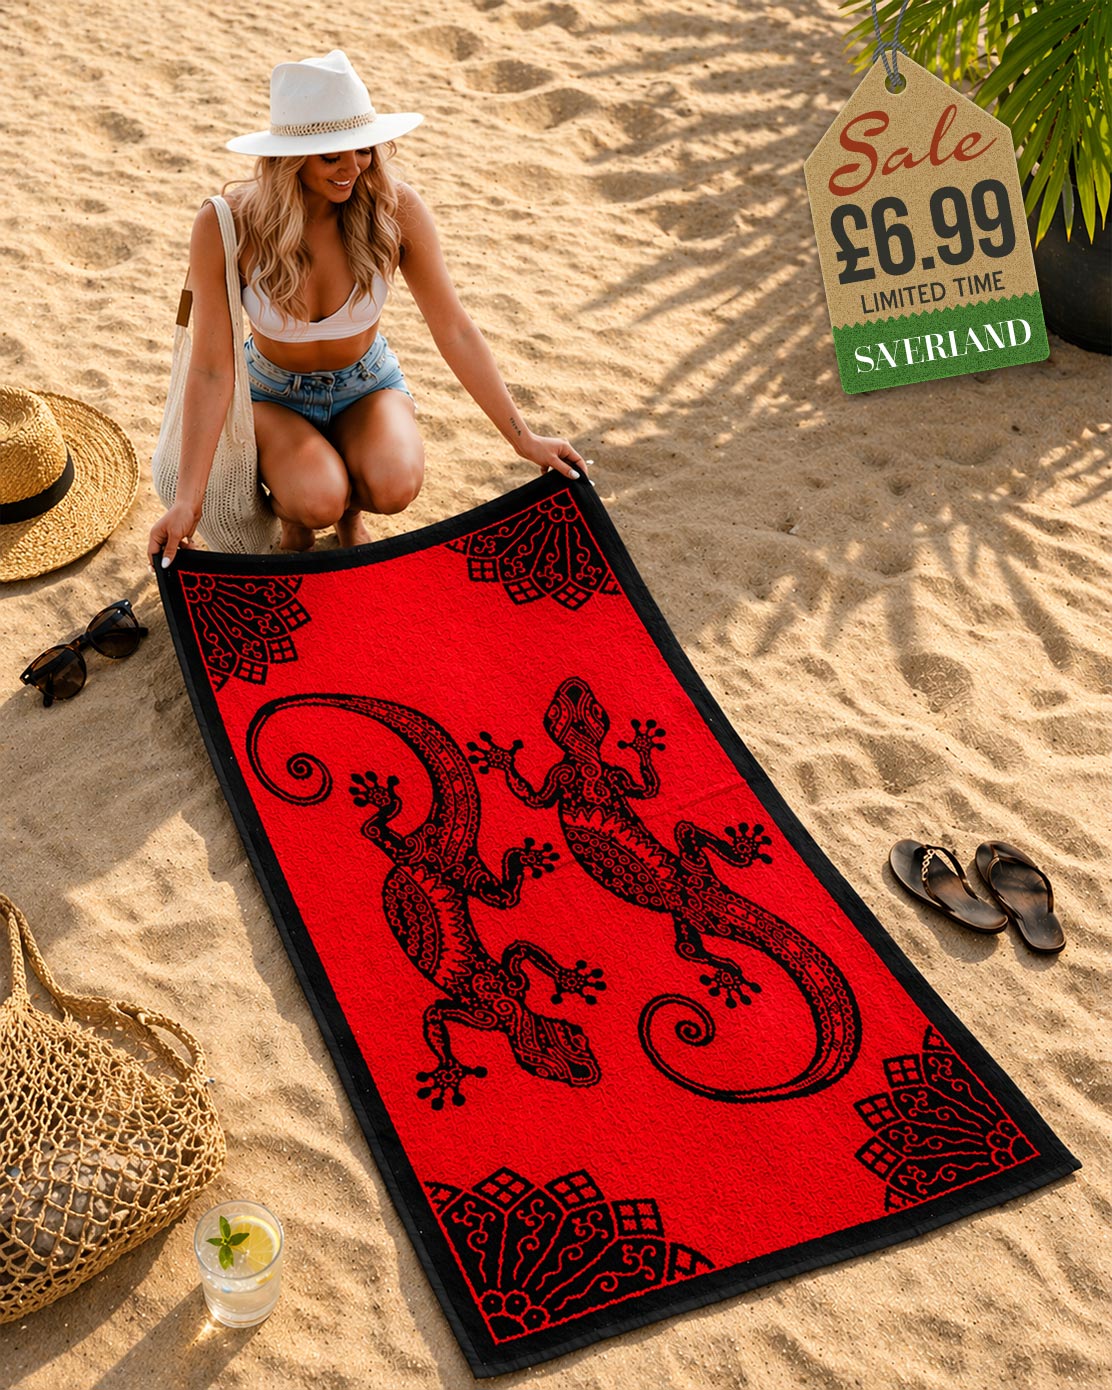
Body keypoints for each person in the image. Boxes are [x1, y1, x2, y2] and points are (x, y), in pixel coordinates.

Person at [148, 50, 588, 567]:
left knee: (396, 484)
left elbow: (455, 330)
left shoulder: (395, 210)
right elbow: (210, 367)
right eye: (330, 157)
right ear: (290, 158)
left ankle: (350, 514)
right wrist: (188, 502)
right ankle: (298, 516)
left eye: (362, 151)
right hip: (272, 393)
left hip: (366, 383)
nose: (351, 169)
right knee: (316, 498)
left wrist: (523, 439)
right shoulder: (227, 225)